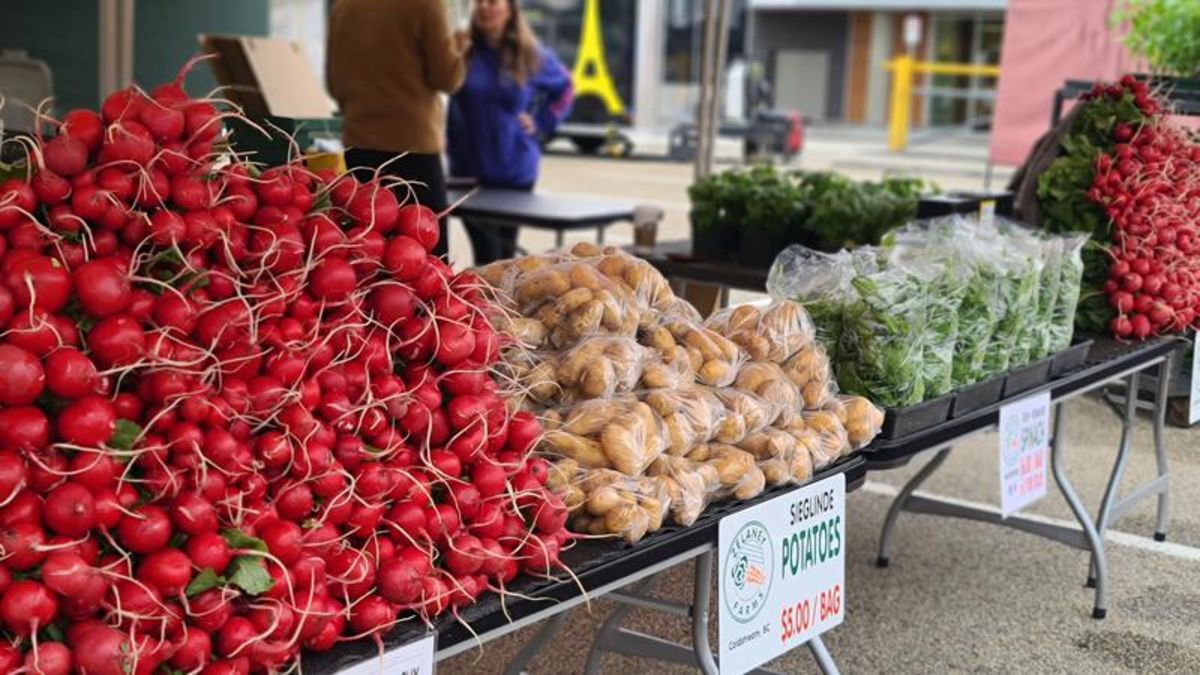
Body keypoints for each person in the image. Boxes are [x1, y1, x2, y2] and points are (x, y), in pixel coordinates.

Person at [326, 0, 470, 257]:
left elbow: (334, 84)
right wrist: (460, 47)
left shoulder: (344, 7)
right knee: (426, 261)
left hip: (359, 147)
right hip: (414, 149)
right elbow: (446, 78)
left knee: (367, 260)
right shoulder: (425, 6)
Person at [447, 0, 574, 264]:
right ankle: (490, 305)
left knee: (505, 260)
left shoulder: (530, 55)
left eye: (493, 1)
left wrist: (542, 121)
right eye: (479, 2)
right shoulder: (462, 49)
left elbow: (566, 87)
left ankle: (500, 305)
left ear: (510, 9)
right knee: (488, 258)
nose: (484, 7)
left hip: (515, 172)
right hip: (470, 173)